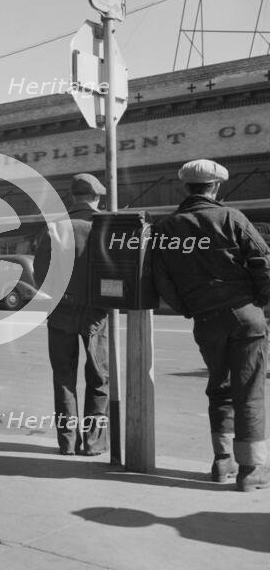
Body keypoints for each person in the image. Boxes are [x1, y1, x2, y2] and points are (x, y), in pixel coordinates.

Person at [152, 159, 270, 492]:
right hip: (245, 316)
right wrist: (260, 302)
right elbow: (263, 262)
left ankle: (222, 462)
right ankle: (251, 469)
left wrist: (190, 308)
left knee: (219, 388)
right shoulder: (232, 217)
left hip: (206, 319)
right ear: (216, 187)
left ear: (185, 188)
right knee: (249, 392)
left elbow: (162, 281)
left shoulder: (166, 228)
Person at [34, 173, 109, 456]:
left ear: (72, 198)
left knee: (64, 377)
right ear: (97, 198)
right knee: (99, 378)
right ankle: (94, 442)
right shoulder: (104, 226)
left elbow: (40, 271)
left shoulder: (55, 227)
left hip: (61, 311)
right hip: (96, 312)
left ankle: (67, 442)